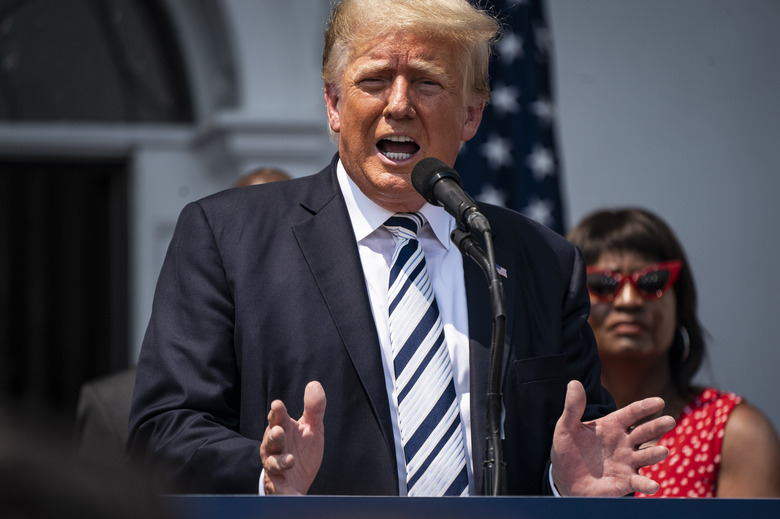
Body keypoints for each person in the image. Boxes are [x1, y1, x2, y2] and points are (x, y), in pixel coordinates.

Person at [128, 0, 673, 496]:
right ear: (333, 103)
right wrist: (263, 472)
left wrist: (561, 483)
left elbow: (581, 440)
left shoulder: (542, 261)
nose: (399, 105)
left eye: (428, 83)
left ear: (472, 114)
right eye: (374, 80)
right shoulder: (226, 237)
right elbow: (163, 433)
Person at [567, 207, 780, 497]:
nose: (629, 301)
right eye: (604, 284)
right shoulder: (548, 431)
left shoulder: (734, 432)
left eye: (651, 282)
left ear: (681, 304)